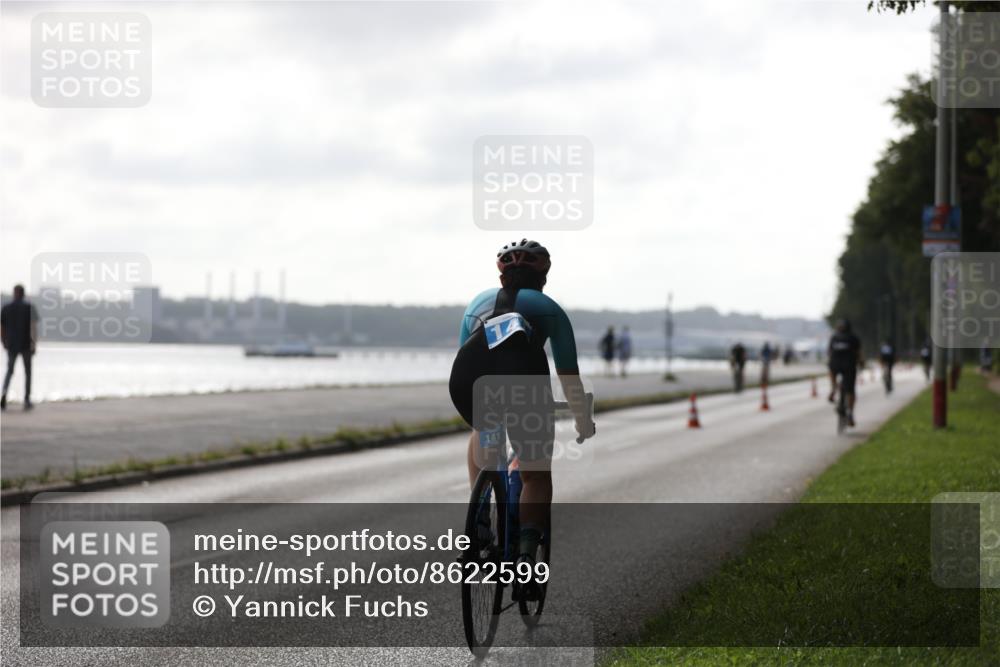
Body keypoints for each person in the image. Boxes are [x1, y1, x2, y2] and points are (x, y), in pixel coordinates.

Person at [449, 239, 596, 600]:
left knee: (483, 427)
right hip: (523, 379)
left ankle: (478, 521)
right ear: (543, 275)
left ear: (501, 276)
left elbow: (467, 353)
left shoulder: (477, 303)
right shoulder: (549, 309)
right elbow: (568, 376)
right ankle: (527, 559)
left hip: (467, 376)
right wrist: (582, 419)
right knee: (535, 474)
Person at [1, 284, 39, 411]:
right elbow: (33, 327)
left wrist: (3, 341)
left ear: (14, 293)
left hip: (11, 344)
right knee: (28, 372)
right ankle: (27, 399)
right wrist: (34, 344)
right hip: (26, 344)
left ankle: (4, 393)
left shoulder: (6, 308)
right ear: (23, 294)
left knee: (9, 371)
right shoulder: (29, 308)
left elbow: (2, 327)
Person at [827, 319, 862, 427]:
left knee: (831, 370)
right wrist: (861, 363)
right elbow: (858, 353)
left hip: (835, 365)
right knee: (850, 390)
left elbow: (829, 352)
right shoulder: (853, 338)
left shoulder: (834, 337)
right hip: (849, 366)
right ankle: (850, 414)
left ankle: (833, 388)